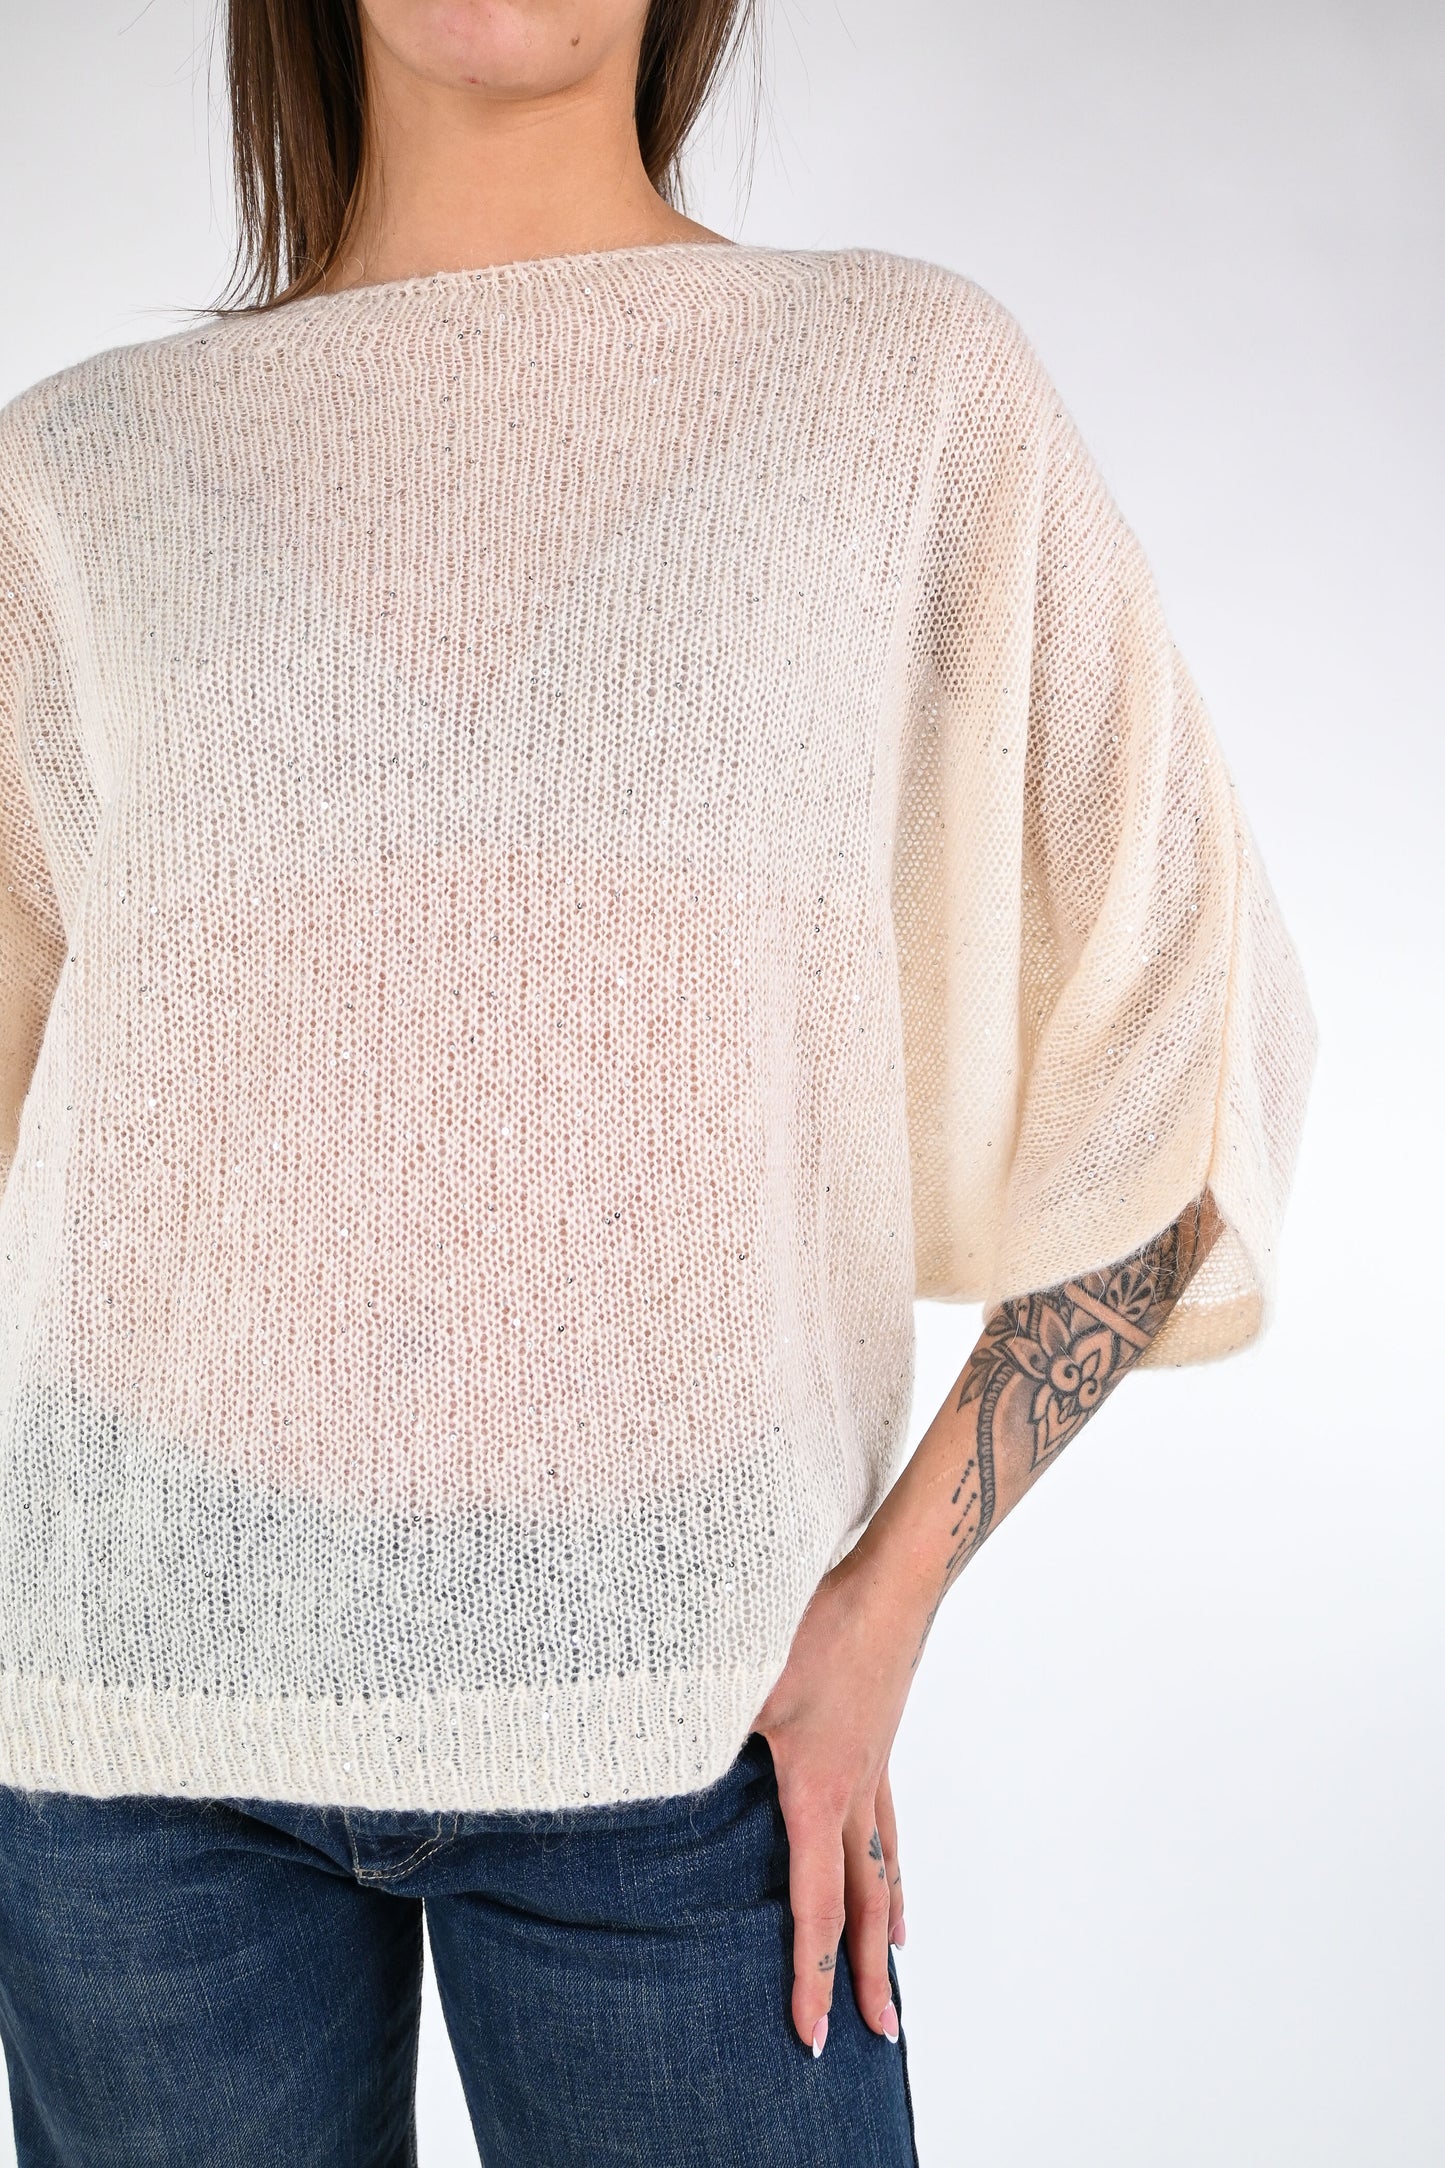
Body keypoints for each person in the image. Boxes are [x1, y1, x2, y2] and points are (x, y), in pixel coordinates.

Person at [0, 1, 1317, 2162]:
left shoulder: (897, 389)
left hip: (689, 1713)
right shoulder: (73, 476)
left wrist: (883, 1610)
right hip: (126, 1718)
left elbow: (1194, 1035)